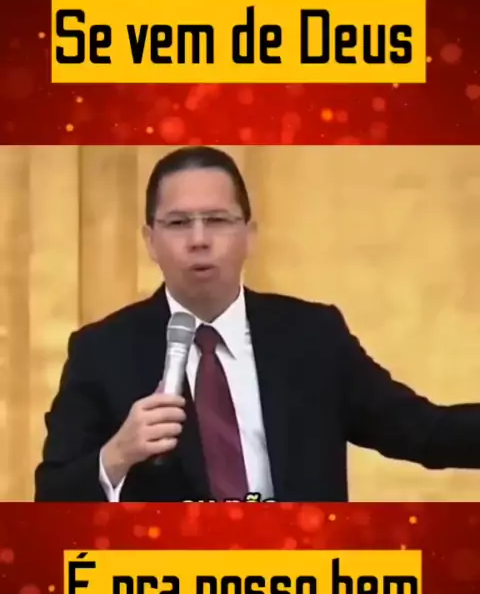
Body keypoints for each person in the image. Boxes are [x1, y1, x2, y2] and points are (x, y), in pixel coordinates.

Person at [35, 145, 480, 503]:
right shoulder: (102, 351)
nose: (199, 240)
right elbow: (52, 496)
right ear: (150, 241)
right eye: (178, 223)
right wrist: (116, 455)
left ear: (249, 234)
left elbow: (424, 433)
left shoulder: (313, 337)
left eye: (217, 220)